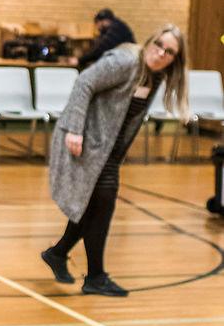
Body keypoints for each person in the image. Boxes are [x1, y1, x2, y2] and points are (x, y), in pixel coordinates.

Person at [41, 25, 189, 297]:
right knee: (103, 203)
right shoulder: (125, 62)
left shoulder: (156, 76)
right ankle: (95, 276)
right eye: (159, 45)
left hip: (106, 150)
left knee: (94, 205)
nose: (161, 53)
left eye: (169, 52)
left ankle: (59, 253)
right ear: (150, 40)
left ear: (175, 60)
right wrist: (74, 129)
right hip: (82, 138)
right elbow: (84, 82)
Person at [71, 8, 135, 68]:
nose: (97, 28)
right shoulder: (116, 26)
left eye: (97, 24)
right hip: (126, 62)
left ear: (104, 21)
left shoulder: (115, 29)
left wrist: (80, 60)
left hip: (127, 64)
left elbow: (101, 48)